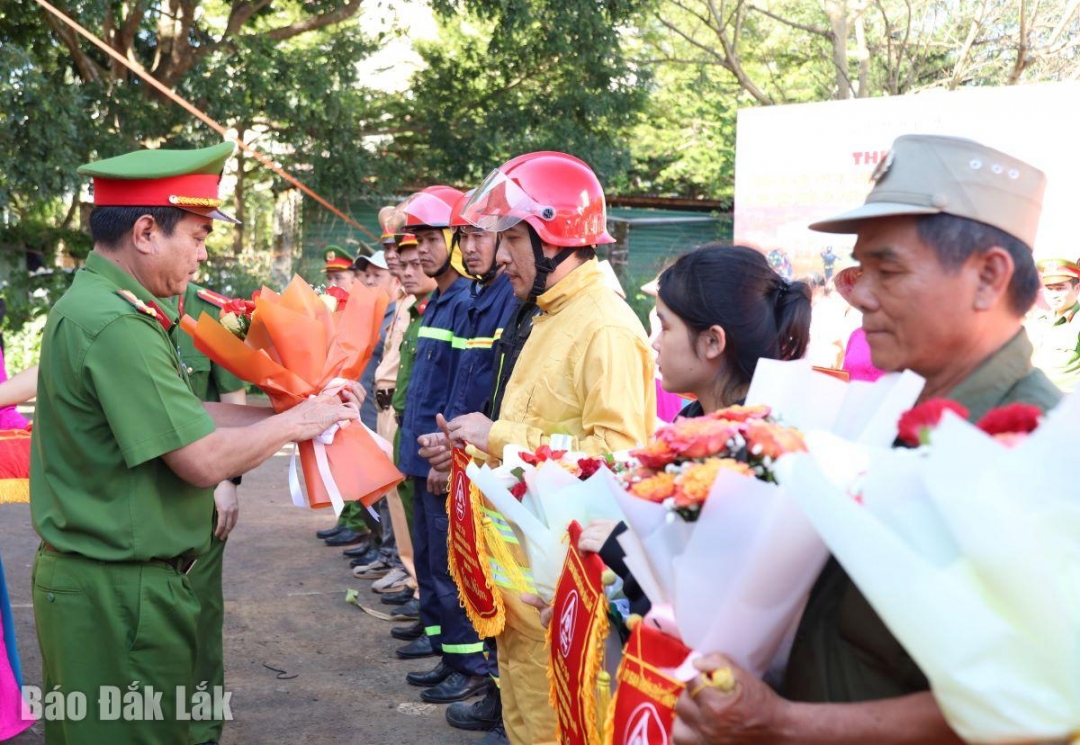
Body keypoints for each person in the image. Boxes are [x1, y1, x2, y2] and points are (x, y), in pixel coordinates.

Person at [670, 134, 1059, 744]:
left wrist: (783, 724)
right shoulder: (903, 413)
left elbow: (1026, 705)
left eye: (889, 270)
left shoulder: (1038, 448)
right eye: (858, 270)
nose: (860, 297)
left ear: (988, 276)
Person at [30, 142, 362, 745]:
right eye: (201, 236)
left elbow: (183, 417)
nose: (203, 257)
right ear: (148, 231)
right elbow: (200, 459)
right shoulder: (115, 324)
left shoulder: (108, 308)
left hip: (124, 587)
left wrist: (287, 405)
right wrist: (295, 425)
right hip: (119, 596)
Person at [446, 151, 657, 745]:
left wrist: (498, 438)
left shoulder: (605, 328)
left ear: (556, 237)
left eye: (512, 237)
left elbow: (617, 455)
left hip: (568, 587)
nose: (498, 254)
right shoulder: (547, 314)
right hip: (526, 579)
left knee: (565, 722)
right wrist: (479, 448)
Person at [415, 190, 520, 736]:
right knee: (461, 567)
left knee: (489, 579)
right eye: (468, 235)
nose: (475, 247)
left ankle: (481, 678)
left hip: (496, 462)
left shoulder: (505, 298)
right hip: (468, 454)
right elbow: (459, 387)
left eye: (483, 234)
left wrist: (460, 452)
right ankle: (483, 680)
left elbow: (488, 394)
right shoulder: (481, 296)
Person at [395, 185, 496, 704]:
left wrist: (448, 459)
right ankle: (446, 653)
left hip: (445, 457)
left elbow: (465, 388)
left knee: (450, 565)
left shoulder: (465, 302)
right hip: (425, 451)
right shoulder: (441, 302)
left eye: (435, 238)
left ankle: (468, 663)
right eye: (421, 238)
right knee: (434, 560)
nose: (424, 249)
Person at [171, 281, 247, 745]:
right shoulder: (120, 308)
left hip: (201, 494)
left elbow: (233, 404)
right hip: (140, 494)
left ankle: (201, 731)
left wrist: (228, 482)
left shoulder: (212, 314)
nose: (197, 252)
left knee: (201, 617)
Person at [386, 235, 437, 630]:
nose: (407, 270)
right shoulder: (419, 310)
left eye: (415, 263)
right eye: (403, 265)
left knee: (431, 532)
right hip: (403, 420)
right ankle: (419, 588)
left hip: (428, 435)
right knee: (409, 514)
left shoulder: (439, 310)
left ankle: (425, 597)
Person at [318, 245, 376, 550]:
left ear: (355, 276)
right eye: (330, 277)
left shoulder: (364, 309)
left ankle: (356, 522)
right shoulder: (331, 308)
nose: (334, 283)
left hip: (359, 395)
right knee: (339, 460)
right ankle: (347, 518)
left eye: (339, 276)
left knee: (355, 461)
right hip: (336, 393)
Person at [1027, 258, 1080, 392]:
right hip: (1036, 397)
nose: (1054, 295)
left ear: (1077, 288)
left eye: (1060, 289)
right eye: (1049, 289)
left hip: (1067, 404)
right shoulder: (1039, 320)